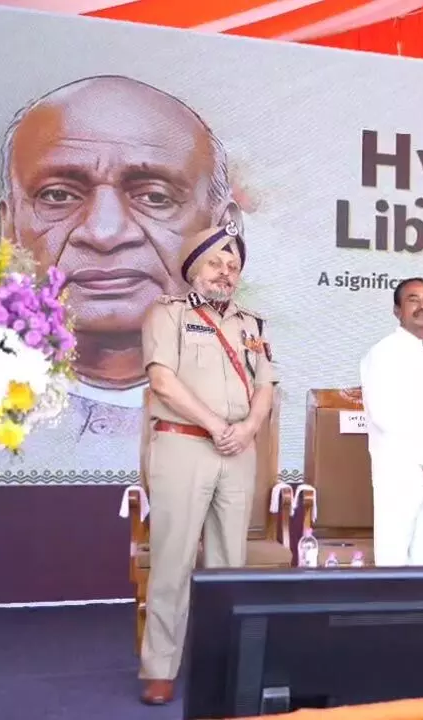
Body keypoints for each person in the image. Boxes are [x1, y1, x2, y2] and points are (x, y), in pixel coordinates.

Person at [0, 74, 240, 475]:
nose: (104, 233)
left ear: (223, 230)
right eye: (58, 195)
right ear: (8, 227)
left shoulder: (260, 407)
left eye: (155, 197)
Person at [138, 222, 275, 704]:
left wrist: (249, 428)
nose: (225, 272)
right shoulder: (166, 314)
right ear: (194, 268)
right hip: (184, 445)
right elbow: (163, 382)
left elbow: (265, 388)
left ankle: (222, 664)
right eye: (216, 262)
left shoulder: (253, 324)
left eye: (233, 265)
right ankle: (159, 667)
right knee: (172, 560)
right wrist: (216, 425)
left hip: (238, 450)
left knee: (228, 565)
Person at [360, 278, 423, 567]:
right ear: (397, 310)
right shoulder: (382, 353)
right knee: (393, 562)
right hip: (400, 476)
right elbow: (383, 415)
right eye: (413, 299)